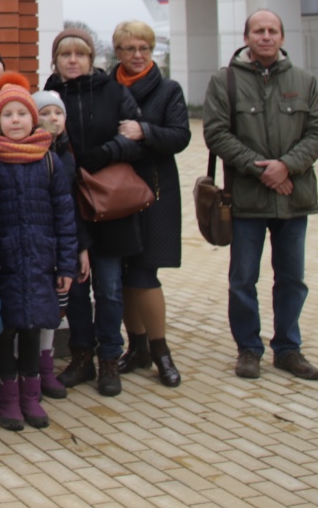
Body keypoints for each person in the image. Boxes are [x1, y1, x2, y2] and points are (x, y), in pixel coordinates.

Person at [203, 9, 318, 382]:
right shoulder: (224, 81)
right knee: (243, 279)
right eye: (258, 30)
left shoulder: (304, 81)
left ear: (282, 38)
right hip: (247, 201)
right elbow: (217, 134)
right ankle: (248, 349)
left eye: (273, 30)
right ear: (246, 38)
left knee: (292, 279)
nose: (266, 36)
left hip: (294, 198)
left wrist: (286, 166)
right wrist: (264, 171)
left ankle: (288, 349)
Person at [43, 26, 140, 398]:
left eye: (80, 54)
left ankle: (109, 358)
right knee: (77, 290)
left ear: (91, 58)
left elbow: (135, 142)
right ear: (55, 60)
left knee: (110, 288)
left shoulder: (114, 92)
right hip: (69, 207)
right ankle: (81, 356)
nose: (73, 61)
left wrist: (105, 153)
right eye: (65, 54)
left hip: (110, 205)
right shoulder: (49, 96)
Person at [0, 75, 77, 434]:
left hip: (40, 260)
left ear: (33, 119)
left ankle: (31, 395)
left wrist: (65, 263)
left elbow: (64, 216)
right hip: (3, 262)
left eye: (22, 113)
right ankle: (7, 398)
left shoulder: (49, 161)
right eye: (8, 115)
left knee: (32, 329)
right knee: (5, 331)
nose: (15, 120)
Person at [107, 20, 191, 388]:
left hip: (156, 192)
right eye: (130, 49)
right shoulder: (107, 87)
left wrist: (144, 131)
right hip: (115, 192)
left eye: (144, 48)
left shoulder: (168, 90)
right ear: (118, 52)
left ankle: (161, 352)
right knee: (124, 273)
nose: (137, 55)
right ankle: (137, 347)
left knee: (145, 273)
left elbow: (181, 136)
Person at [32, 88, 76, 400]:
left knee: (52, 309)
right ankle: (29, 370)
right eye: (44, 113)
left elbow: (71, 210)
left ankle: (45, 367)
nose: (52, 119)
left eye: (57, 113)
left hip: (57, 244)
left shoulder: (68, 155)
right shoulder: (30, 154)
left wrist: (77, 250)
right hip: (32, 243)